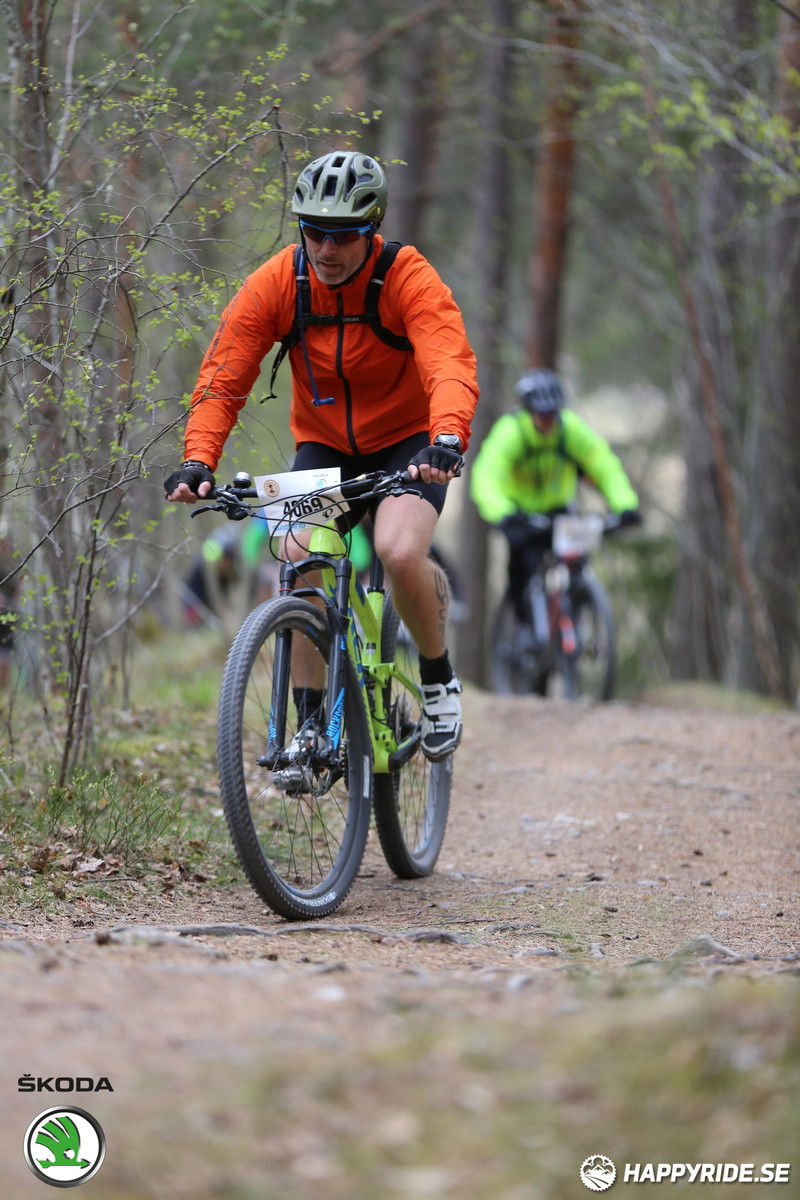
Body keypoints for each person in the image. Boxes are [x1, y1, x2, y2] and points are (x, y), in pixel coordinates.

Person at [164, 150, 479, 760]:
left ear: (372, 230)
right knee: (296, 552)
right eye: (314, 232)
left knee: (398, 549)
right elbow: (224, 377)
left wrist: (446, 438)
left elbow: (449, 362)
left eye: (343, 235)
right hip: (326, 445)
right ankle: (311, 724)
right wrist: (199, 460)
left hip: (412, 442)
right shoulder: (280, 282)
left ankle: (438, 677)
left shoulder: (406, 276)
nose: (327, 249)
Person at [470, 368, 640, 624]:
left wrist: (625, 505)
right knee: (522, 566)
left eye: (553, 412)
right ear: (529, 411)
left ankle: (575, 617)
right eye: (542, 413)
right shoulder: (511, 433)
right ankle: (523, 624)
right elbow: (487, 477)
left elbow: (603, 465)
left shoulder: (570, 429)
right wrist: (503, 514)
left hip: (559, 509)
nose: (549, 419)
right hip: (520, 514)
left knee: (578, 562)